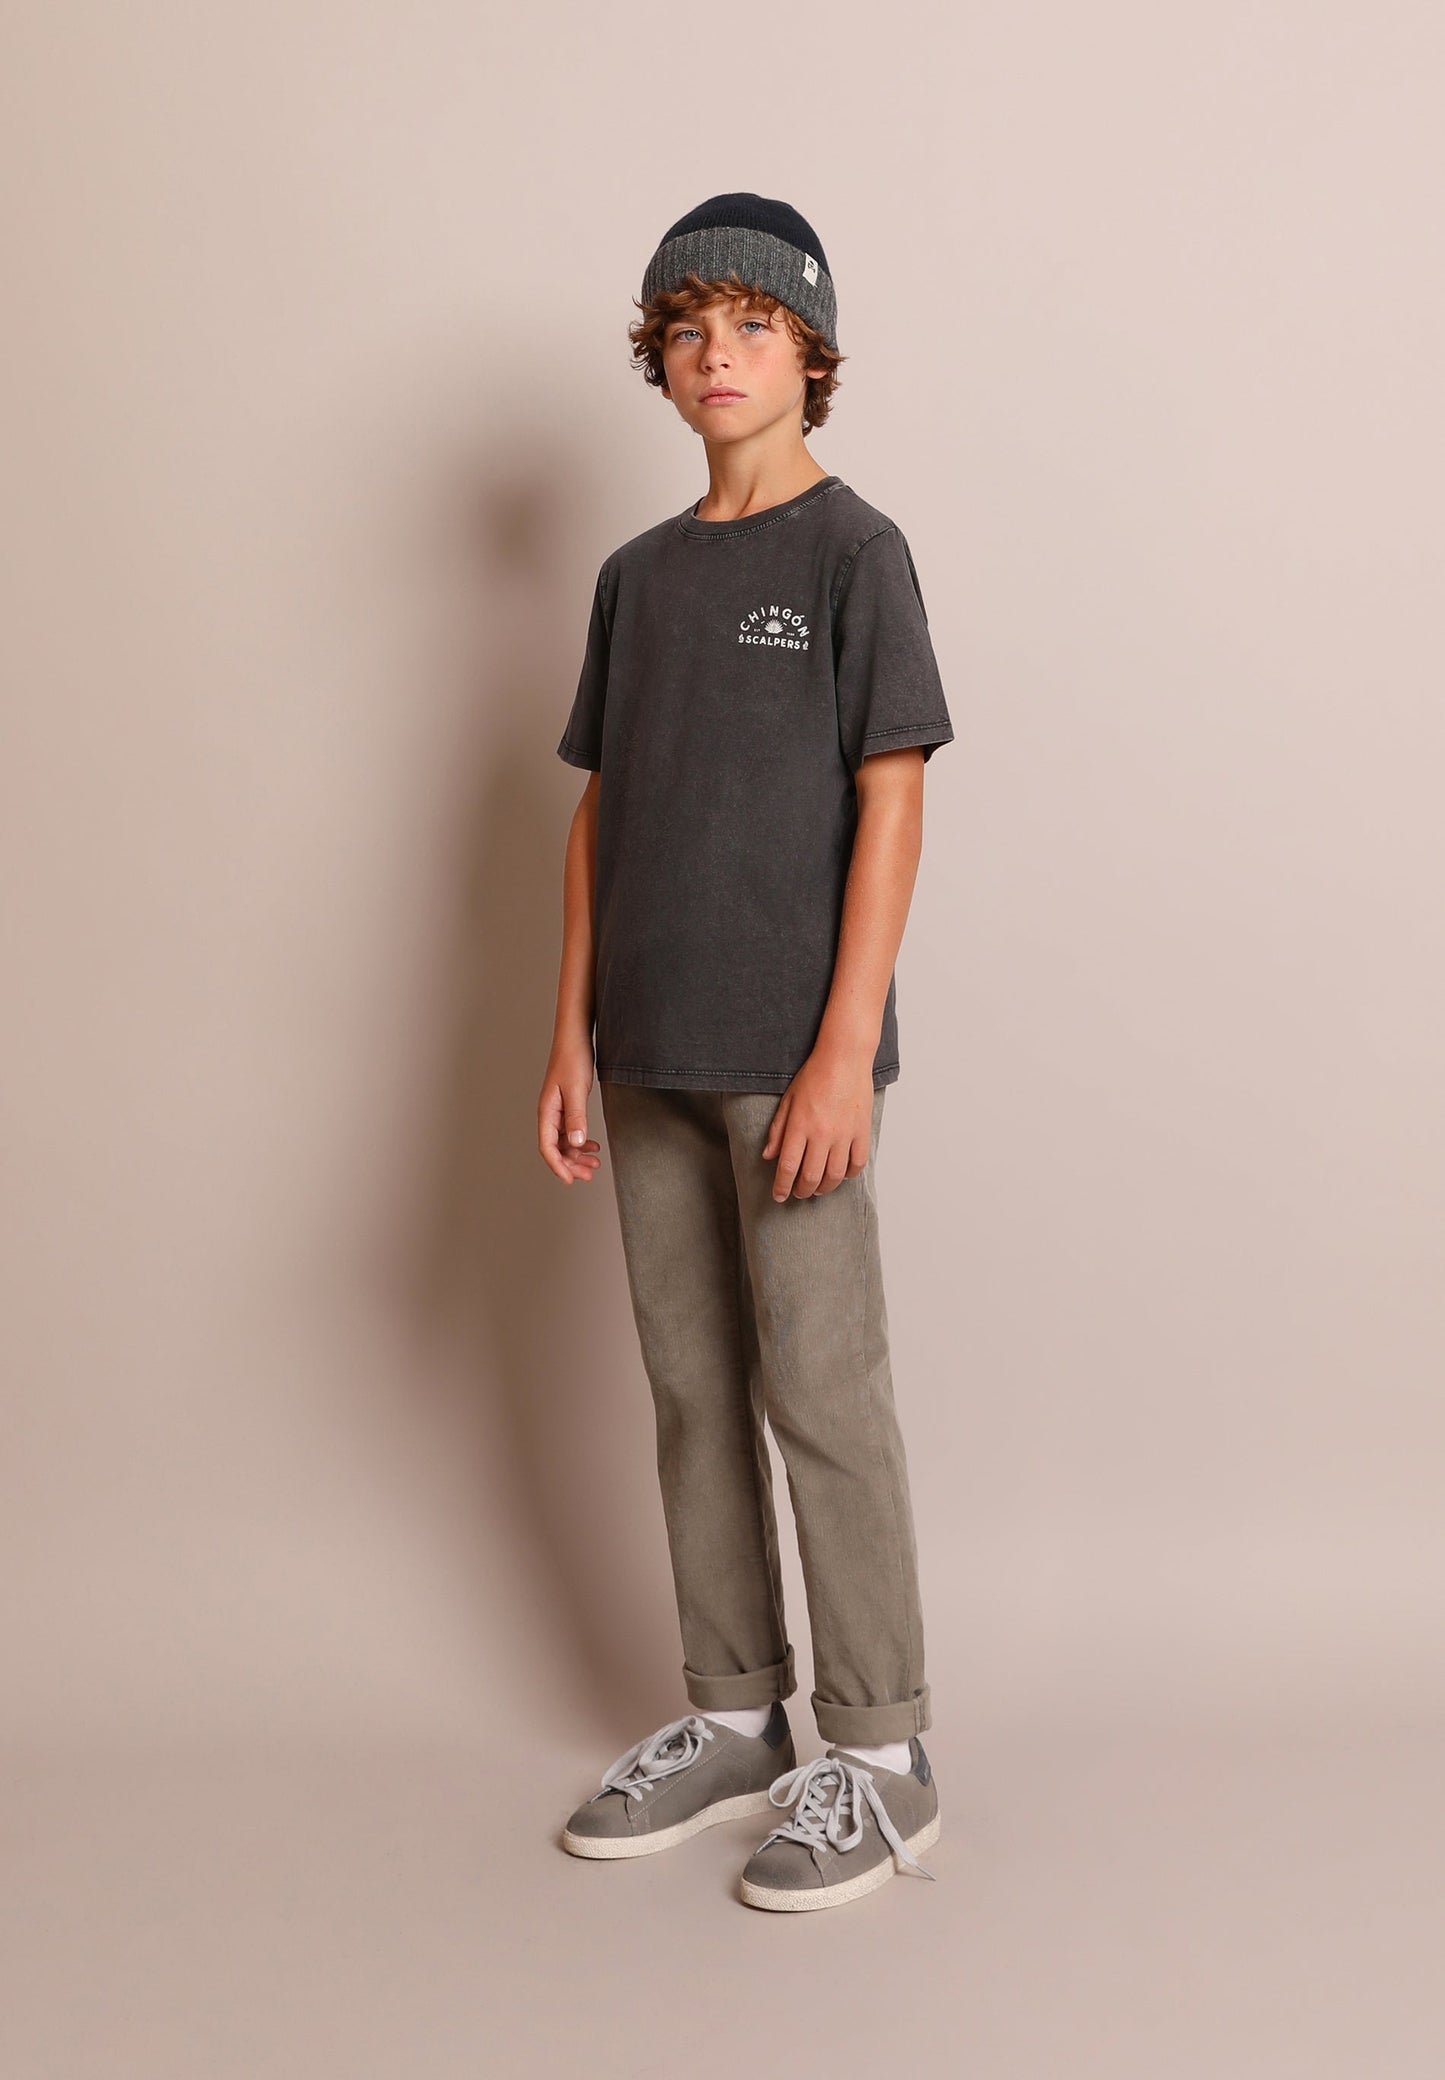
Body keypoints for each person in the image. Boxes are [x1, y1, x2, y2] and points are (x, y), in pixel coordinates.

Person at [538, 192, 954, 1912]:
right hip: (645, 1048)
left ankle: (883, 1755)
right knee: (694, 1392)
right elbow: (599, 814)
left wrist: (845, 1046)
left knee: (821, 1393)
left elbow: (891, 797)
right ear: (660, 361)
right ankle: (732, 1717)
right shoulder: (635, 579)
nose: (719, 353)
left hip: (793, 1062)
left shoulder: (854, 554)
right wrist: (568, 1033)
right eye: (689, 328)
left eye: (755, 325)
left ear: (811, 354)